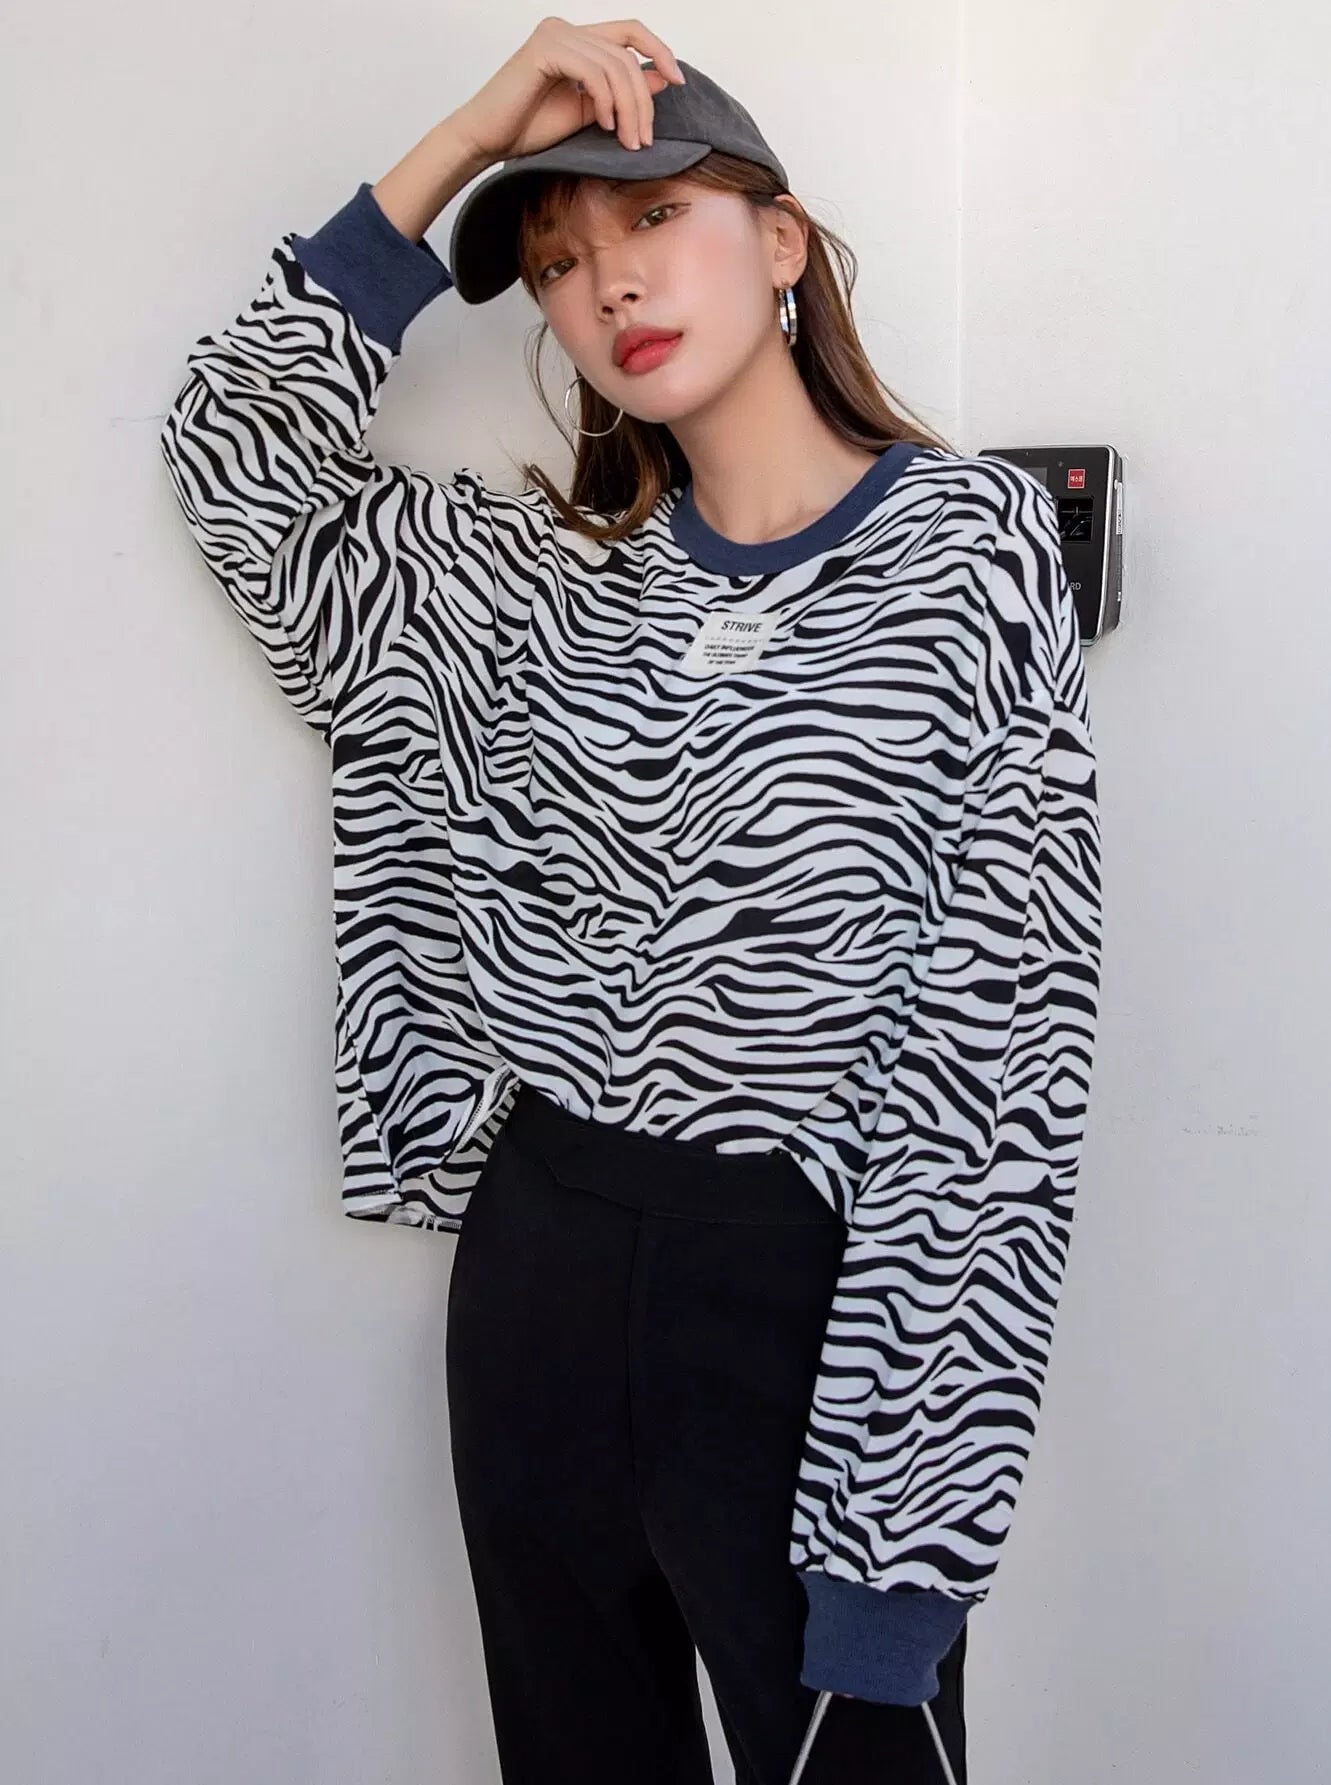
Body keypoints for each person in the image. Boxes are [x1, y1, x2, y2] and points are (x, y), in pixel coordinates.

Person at [158, 17, 1103, 1785]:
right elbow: (233, 459)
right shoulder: (542, 586)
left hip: (806, 1297)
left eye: (654, 217)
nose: (609, 284)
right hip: (540, 1261)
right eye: (557, 260)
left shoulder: (967, 557)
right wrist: (473, 132)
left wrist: (900, 1555)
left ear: (782, 238)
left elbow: (999, 1063)